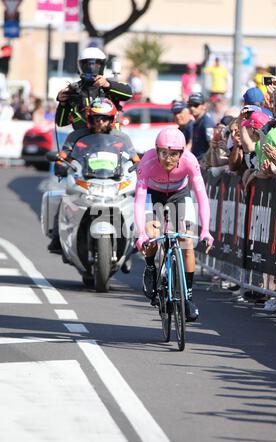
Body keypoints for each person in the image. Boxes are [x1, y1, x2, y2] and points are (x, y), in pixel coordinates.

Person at [49, 98, 139, 275]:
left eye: (104, 118)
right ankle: (57, 239)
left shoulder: (121, 137)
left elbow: (135, 159)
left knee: (135, 202)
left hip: (114, 181)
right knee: (63, 199)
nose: (100, 122)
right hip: (87, 179)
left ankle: (134, 241)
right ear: (89, 118)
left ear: (111, 119)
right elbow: (64, 154)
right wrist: (61, 162)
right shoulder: (77, 136)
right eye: (96, 118)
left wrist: (139, 167)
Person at [134, 127, 214, 322]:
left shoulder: (190, 161)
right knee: (152, 232)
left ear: (181, 153)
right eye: (164, 153)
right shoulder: (147, 162)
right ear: (157, 150)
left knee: (186, 241)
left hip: (179, 194)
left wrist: (205, 230)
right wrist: (141, 234)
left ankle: (187, 298)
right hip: (153, 195)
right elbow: (139, 200)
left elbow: (202, 196)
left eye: (173, 154)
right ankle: (151, 267)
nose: (168, 159)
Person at [55, 47, 132, 129]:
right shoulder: (73, 90)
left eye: (96, 65)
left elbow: (128, 94)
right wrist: (62, 103)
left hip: (111, 137)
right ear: (81, 66)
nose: (92, 68)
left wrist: (107, 85)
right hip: (83, 138)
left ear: (102, 66)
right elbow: (61, 123)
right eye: (88, 65)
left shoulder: (111, 85)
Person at [187, 92, 215, 161]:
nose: (192, 108)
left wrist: (205, 162)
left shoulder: (207, 124)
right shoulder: (196, 121)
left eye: (195, 105)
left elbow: (212, 147)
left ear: (204, 106)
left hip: (203, 164)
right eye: (190, 105)